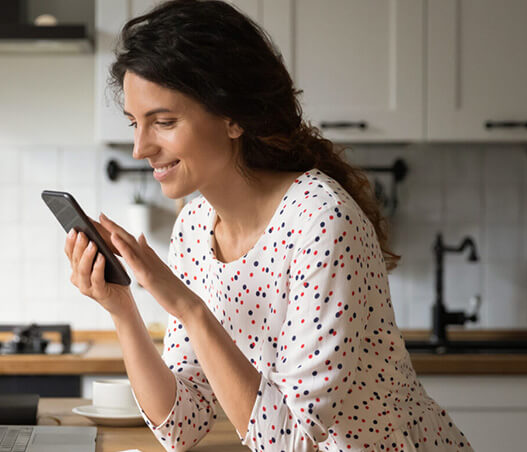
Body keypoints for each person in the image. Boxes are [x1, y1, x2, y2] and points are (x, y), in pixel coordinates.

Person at [63, 1, 472, 450]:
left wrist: (188, 306)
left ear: (233, 116)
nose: (140, 148)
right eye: (134, 124)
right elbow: (181, 425)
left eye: (163, 122)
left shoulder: (320, 219)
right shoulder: (194, 227)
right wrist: (122, 309)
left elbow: (294, 441)